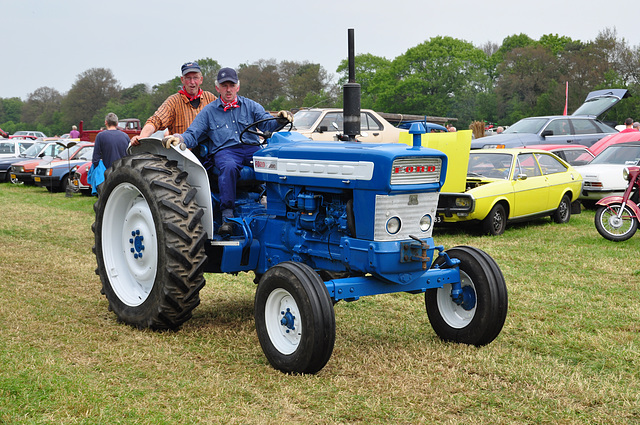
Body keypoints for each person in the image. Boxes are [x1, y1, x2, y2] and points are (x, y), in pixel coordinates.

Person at [162, 67, 293, 235]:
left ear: (238, 86)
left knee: (272, 161)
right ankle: (227, 216)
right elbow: (193, 133)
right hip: (226, 151)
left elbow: (267, 124)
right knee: (229, 166)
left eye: (232, 85)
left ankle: (280, 207)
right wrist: (179, 138)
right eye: (224, 85)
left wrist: (281, 119)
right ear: (218, 88)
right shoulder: (209, 111)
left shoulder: (250, 105)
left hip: (251, 148)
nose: (228, 89)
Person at [130, 61, 217, 145]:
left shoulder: (210, 98)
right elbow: (155, 120)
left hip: (208, 151)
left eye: (195, 78)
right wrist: (142, 137)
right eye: (188, 78)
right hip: (183, 152)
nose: (192, 82)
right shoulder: (173, 101)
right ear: (182, 80)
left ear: (201, 80)